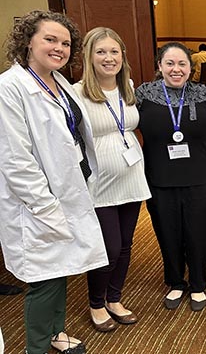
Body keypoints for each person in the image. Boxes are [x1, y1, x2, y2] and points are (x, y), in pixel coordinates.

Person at [0, 9, 108, 354]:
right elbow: (16, 161)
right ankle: (36, 346)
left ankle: (57, 334)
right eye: (50, 39)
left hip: (68, 189)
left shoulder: (58, 81)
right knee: (44, 280)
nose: (59, 48)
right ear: (27, 41)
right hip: (37, 202)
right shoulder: (10, 88)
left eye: (65, 42)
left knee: (61, 270)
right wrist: (46, 207)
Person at [74, 27, 151, 331]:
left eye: (114, 52)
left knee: (127, 243)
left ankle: (115, 298)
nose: (109, 58)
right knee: (109, 245)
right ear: (89, 57)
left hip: (131, 176)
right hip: (100, 181)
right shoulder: (76, 93)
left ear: (123, 55)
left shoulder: (128, 87)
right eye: (101, 52)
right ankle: (96, 302)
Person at [136, 42, 206, 312]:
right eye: (170, 63)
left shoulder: (204, 94)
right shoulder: (143, 94)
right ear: (159, 66)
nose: (176, 69)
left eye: (182, 64)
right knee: (168, 234)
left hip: (199, 177)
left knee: (198, 233)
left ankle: (198, 284)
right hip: (160, 178)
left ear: (191, 68)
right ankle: (175, 282)